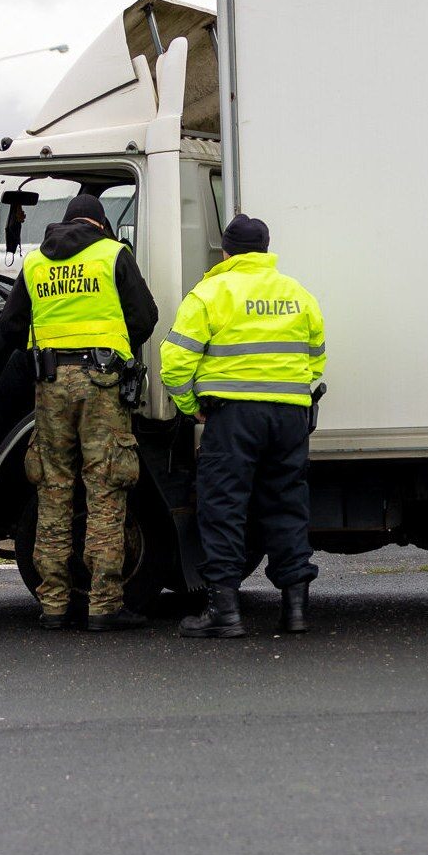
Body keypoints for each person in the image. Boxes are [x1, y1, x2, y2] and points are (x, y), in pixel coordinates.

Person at [0, 194, 159, 630]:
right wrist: (114, 348)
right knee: (105, 487)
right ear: (101, 224)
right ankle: (104, 605)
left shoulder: (35, 264)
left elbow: (9, 328)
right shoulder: (113, 254)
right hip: (102, 384)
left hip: (50, 387)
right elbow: (145, 317)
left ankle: (54, 605)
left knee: (53, 488)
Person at [161, 213, 325, 637]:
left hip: (233, 417)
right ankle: (295, 612)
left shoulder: (210, 293)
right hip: (290, 415)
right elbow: (316, 356)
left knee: (224, 507)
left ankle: (225, 613)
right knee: (287, 505)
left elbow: (175, 363)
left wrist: (190, 406)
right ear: (266, 250)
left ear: (226, 250)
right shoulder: (297, 293)